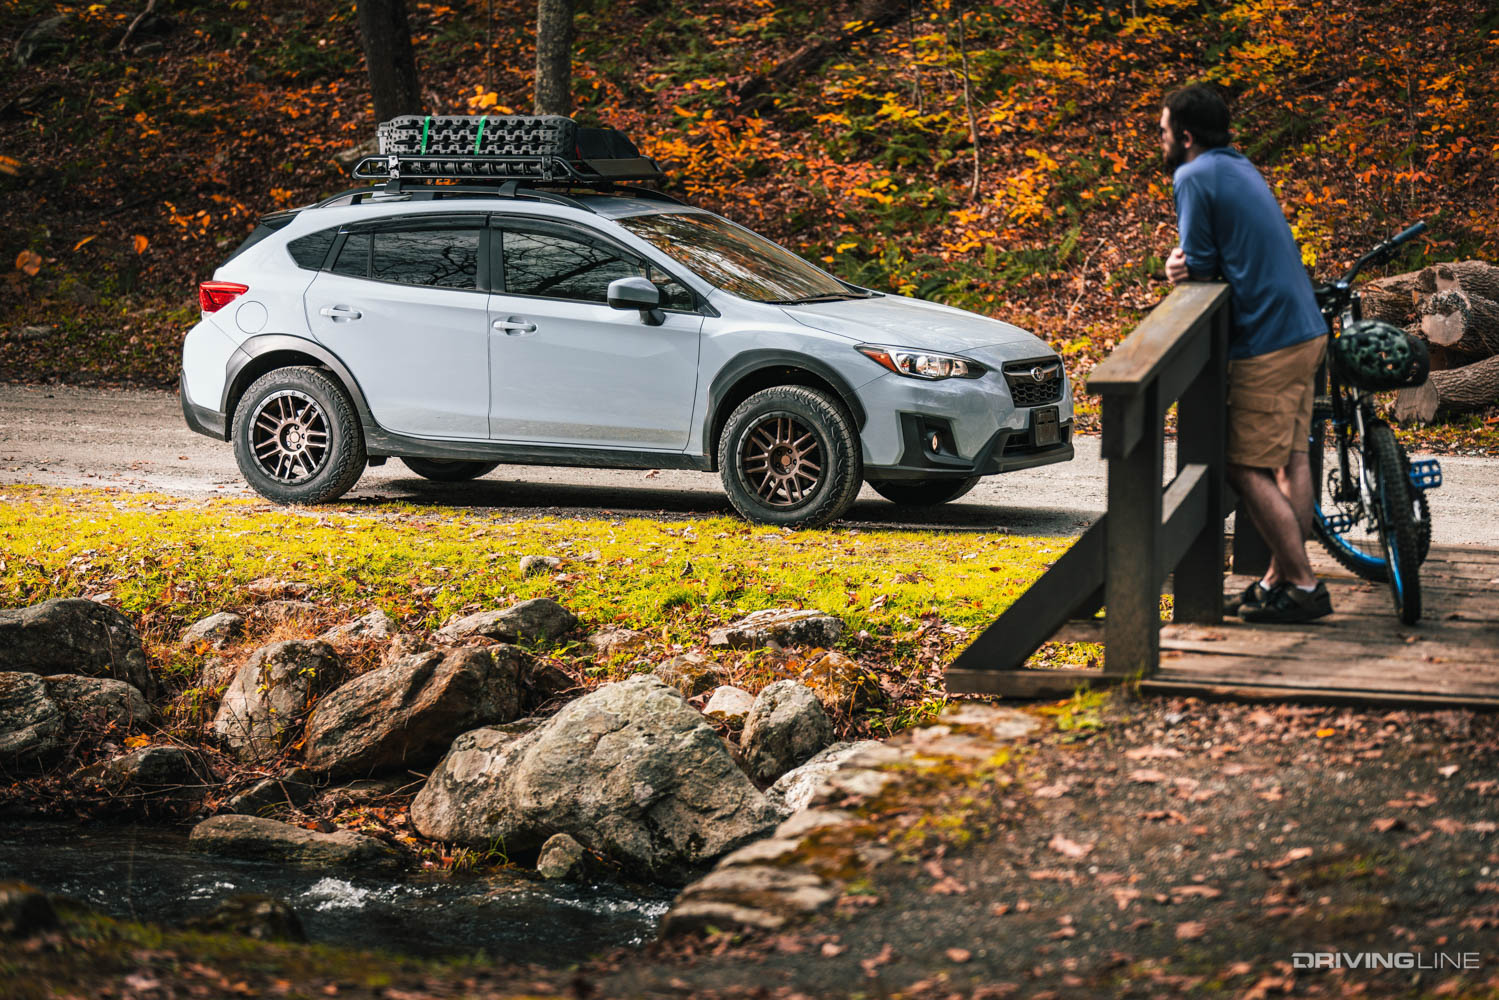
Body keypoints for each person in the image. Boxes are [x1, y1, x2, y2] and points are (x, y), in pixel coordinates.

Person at [1159, 83, 1333, 623]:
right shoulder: (1239, 165)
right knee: (1291, 460)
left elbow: (1201, 267)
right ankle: (1279, 582)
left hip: (1267, 340)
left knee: (1242, 464)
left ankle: (1303, 585)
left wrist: (1175, 268)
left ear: (1186, 136)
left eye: (1163, 131)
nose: (1161, 141)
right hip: (1306, 329)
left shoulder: (1192, 175)